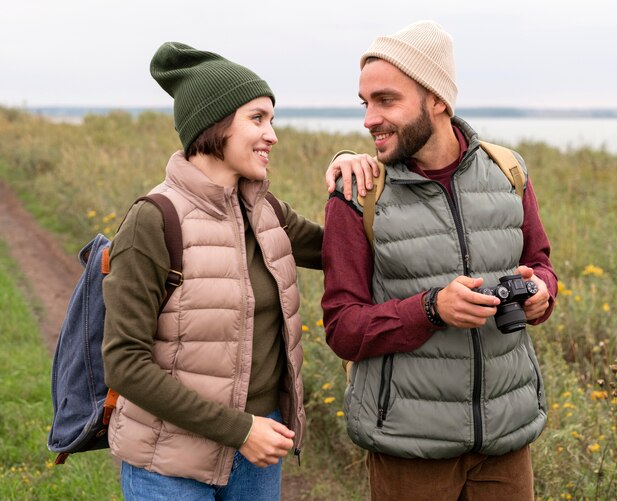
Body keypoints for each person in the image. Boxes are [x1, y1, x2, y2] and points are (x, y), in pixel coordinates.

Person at [101, 42, 368, 500]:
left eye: (273, 120)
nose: (273, 135)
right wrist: (238, 428)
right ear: (215, 124)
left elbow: (343, 251)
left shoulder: (266, 210)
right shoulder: (154, 218)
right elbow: (124, 363)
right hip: (171, 462)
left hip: (259, 451)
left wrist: (352, 176)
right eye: (258, 118)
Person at [322, 21, 558, 500]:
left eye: (386, 100)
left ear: (438, 100)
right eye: (364, 103)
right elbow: (342, 329)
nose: (369, 119)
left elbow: (541, 262)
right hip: (410, 448)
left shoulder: (507, 171)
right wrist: (431, 309)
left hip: (506, 442)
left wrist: (541, 293)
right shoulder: (358, 194)